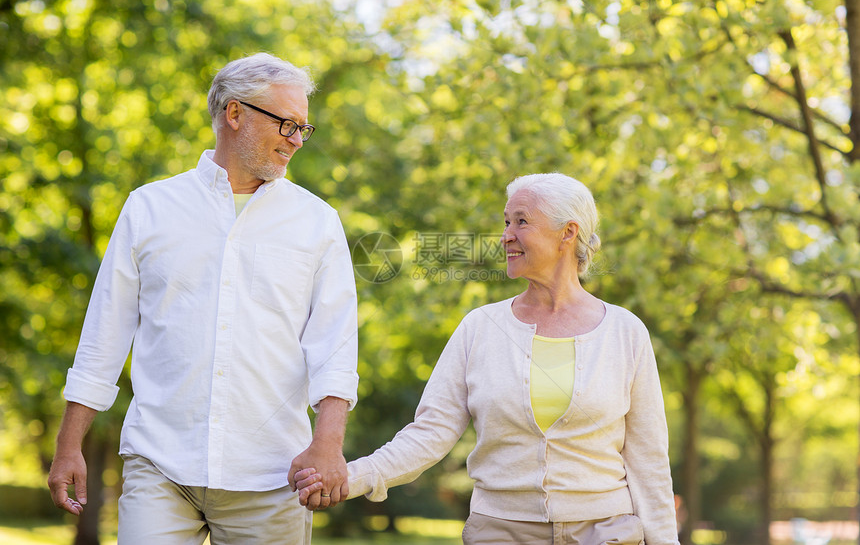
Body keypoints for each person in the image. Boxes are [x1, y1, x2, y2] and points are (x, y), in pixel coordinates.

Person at [47, 52, 359, 544]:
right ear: (234, 114)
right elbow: (104, 337)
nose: (296, 140)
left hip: (272, 476)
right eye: (286, 124)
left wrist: (328, 445)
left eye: (304, 128)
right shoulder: (149, 208)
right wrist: (68, 445)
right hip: (160, 465)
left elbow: (334, 348)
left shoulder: (317, 222)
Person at [296, 172, 680, 544]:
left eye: (522, 222)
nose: (506, 236)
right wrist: (351, 476)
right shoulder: (480, 328)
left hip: (605, 530)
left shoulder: (625, 333)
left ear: (568, 232)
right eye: (506, 222)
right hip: (502, 530)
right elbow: (430, 432)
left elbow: (649, 462)